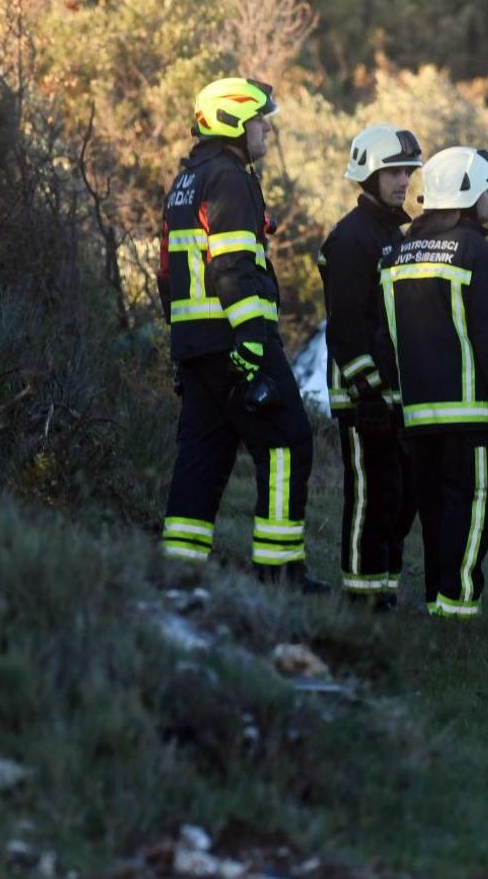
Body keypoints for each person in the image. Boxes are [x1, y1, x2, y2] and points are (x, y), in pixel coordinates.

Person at [158, 76, 328, 592]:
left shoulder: (185, 180)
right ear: (233, 120)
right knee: (286, 442)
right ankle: (278, 574)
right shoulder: (230, 178)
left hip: (196, 346)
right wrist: (251, 341)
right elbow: (232, 266)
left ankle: (178, 570)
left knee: (202, 455)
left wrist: (184, 346)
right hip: (235, 340)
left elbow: (167, 274)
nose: (266, 130)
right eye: (260, 120)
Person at [382, 146, 488, 618]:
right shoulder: (477, 253)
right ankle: (459, 610)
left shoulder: (397, 251)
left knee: (435, 517)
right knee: (473, 515)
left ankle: (436, 604)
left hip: (417, 417)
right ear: (466, 192)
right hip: (473, 418)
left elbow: (385, 335)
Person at [318, 124, 422, 609]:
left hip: (392, 393)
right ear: (369, 174)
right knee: (369, 496)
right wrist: (368, 389)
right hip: (362, 397)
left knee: (399, 495)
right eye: (393, 172)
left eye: (407, 171)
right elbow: (345, 325)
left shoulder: (392, 233)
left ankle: (385, 588)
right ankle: (360, 596)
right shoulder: (351, 238)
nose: (403, 181)